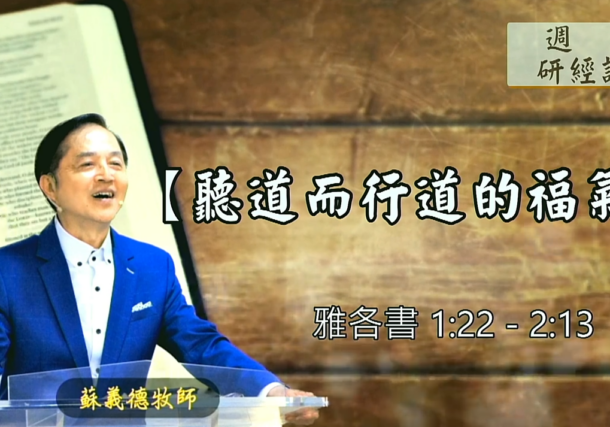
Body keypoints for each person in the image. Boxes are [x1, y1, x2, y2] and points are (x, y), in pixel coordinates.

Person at [0, 114, 318, 425]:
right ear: (50, 186)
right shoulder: (7, 271)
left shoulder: (153, 266)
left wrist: (271, 391)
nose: (106, 175)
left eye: (116, 163)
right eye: (87, 164)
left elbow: (199, 344)